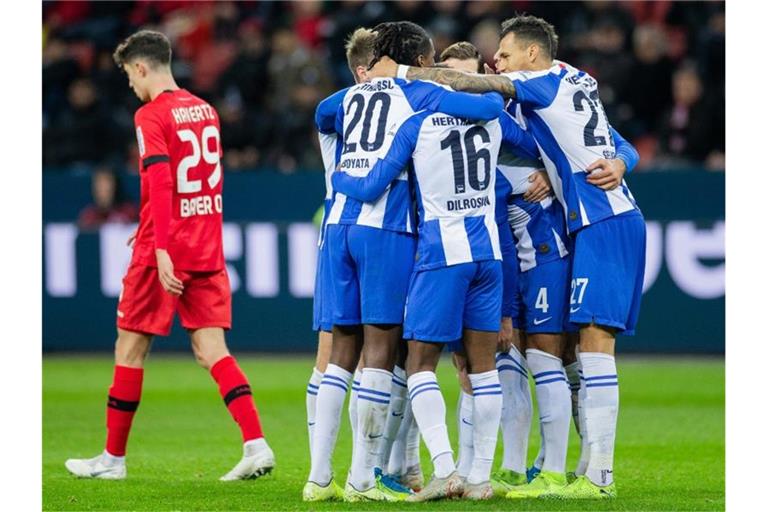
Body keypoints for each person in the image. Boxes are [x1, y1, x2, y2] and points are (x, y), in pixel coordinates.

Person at [368, 14, 644, 500]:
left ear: (533, 55)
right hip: (591, 221)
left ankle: (596, 477)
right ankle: (567, 470)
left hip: (599, 219)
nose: (500, 61)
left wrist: (403, 74)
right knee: (577, 347)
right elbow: (610, 137)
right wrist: (621, 160)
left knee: (591, 346)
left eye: (508, 53)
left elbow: (468, 82)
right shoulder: (576, 79)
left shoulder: (533, 83)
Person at [306, 21, 507, 503]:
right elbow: (488, 107)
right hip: (387, 230)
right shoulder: (416, 93)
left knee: (339, 353)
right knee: (381, 350)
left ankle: (317, 479)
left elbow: (320, 113)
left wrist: (341, 183)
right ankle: (362, 480)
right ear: (421, 58)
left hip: (335, 229)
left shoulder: (350, 97)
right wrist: (453, 80)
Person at [64, 30, 274, 482]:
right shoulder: (206, 109)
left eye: (128, 75)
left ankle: (113, 459)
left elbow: (160, 181)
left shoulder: (150, 114)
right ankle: (256, 444)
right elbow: (198, 181)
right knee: (211, 348)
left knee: (130, 347)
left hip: (166, 249)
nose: (129, 86)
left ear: (141, 67)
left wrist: (158, 245)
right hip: (206, 242)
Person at [331, 66, 538, 501]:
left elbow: (370, 186)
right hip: (488, 257)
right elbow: (531, 147)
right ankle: (480, 477)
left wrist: (338, 176)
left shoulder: (414, 125)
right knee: (483, 371)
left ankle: (444, 468)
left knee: (420, 365)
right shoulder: (492, 117)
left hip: (442, 256)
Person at [304, 27, 376, 502]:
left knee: (376, 355)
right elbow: (321, 112)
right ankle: (323, 470)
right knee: (335, 352)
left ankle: (362, 470)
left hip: (379, 232)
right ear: (362, 71)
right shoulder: (343, 110)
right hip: (348, 229)